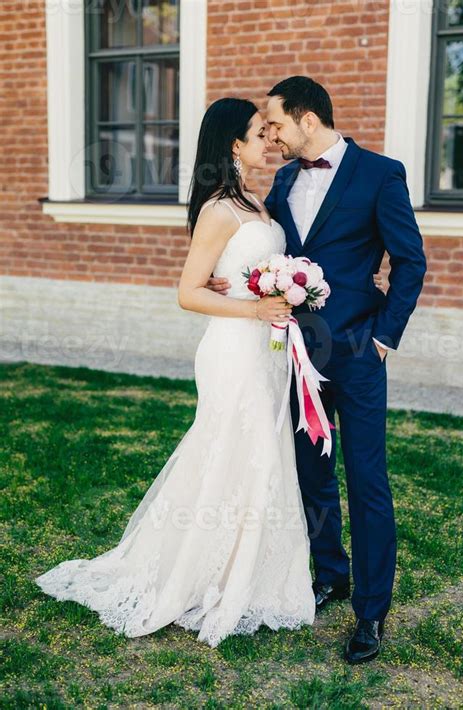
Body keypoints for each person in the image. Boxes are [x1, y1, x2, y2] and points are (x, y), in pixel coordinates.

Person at [34, 98, 317, 649]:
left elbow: (235, 275)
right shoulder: (219, 209)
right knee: (232, 449)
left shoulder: (256, 203)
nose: (270, 142)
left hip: (268, 348)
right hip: (235, 347)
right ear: (234, 144)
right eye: (261, 133)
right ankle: (199, 572)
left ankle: (248, 570)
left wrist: (280, 291)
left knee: (262, 452)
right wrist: (255, 308)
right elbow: (187, 293)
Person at [207, 76, 427, 664]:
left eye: (276, 123)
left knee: (368, 481)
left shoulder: (382, 174)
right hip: (296, 355)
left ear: (308, 119)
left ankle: (372, 611)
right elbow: (265, 250)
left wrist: (385, 338)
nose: (271, 135)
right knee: (311, 472)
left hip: (358, 354)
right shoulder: (281, 181)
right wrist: (230, 279)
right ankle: (330, 572)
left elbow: (410, 261)